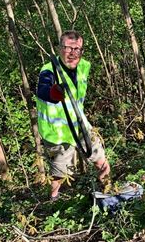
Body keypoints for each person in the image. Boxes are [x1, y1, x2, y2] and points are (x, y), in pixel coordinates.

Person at [36, 31, 111, 200]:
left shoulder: (84, 66)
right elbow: (42, 90)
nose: (73, 53)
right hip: (57, 134)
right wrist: (52, 93)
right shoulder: (49, 70)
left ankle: (109, 192)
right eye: (68, 48)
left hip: (80, 124)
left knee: (101, 160)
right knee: (60, 174)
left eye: (77, 49)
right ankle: (54, 201)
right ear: (59, 49)